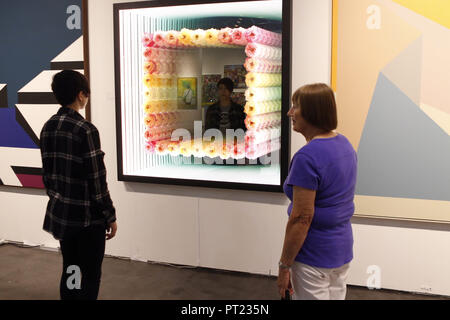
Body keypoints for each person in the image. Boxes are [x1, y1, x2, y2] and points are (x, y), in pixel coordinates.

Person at [40, 70, 117, 300]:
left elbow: (48, 174)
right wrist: (110, 215)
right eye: (86, 94)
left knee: (71, 269)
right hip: (87, 219)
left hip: (63, 216)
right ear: (81, 95)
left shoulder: (48, 127)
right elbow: (97, 180)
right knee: (90, 275)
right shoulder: (86, 130)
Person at [277, 83, 357, 300]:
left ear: (313, 111)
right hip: (341, 250)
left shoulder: (307, 157)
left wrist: (284, 265)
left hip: (313, 255)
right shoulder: (345, 145)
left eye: (296, 106)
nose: (290, 113)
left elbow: (301, 218)